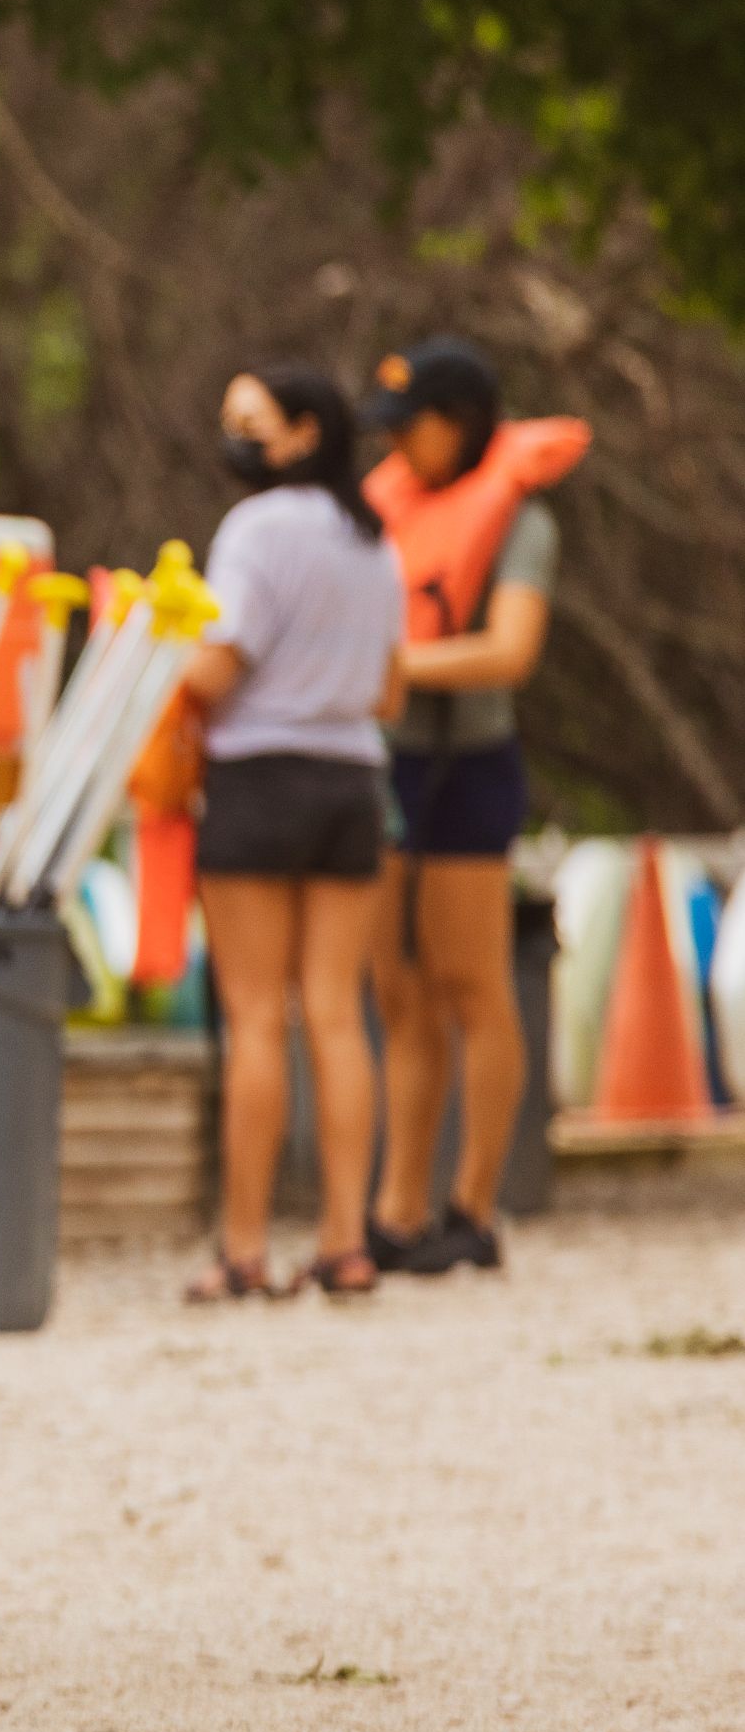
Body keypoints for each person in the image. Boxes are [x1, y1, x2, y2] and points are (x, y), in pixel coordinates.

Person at [360, 337, 588, 1275]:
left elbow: (508, 651)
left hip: (468, 766)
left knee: (471, 984)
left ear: (456, 425)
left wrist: (395, 666)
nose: (395, 445)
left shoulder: (522, 524)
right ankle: (395, 1208)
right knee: (397, 992)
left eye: (409, 427)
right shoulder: (385, 510)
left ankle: (474, 1205)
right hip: (390, 765)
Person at [183, 362, 407, 1302]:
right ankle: (345, 1241)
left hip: (258, 779)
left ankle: (243, 1248)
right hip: (352, 782)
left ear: (304, 431)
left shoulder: (255, 529)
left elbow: (215, 666)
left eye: (250, 421)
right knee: (336, 1014)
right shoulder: (373, 538)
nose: (234, 438)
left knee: (253, 1019)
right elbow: (389, 689)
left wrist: (160, 655)